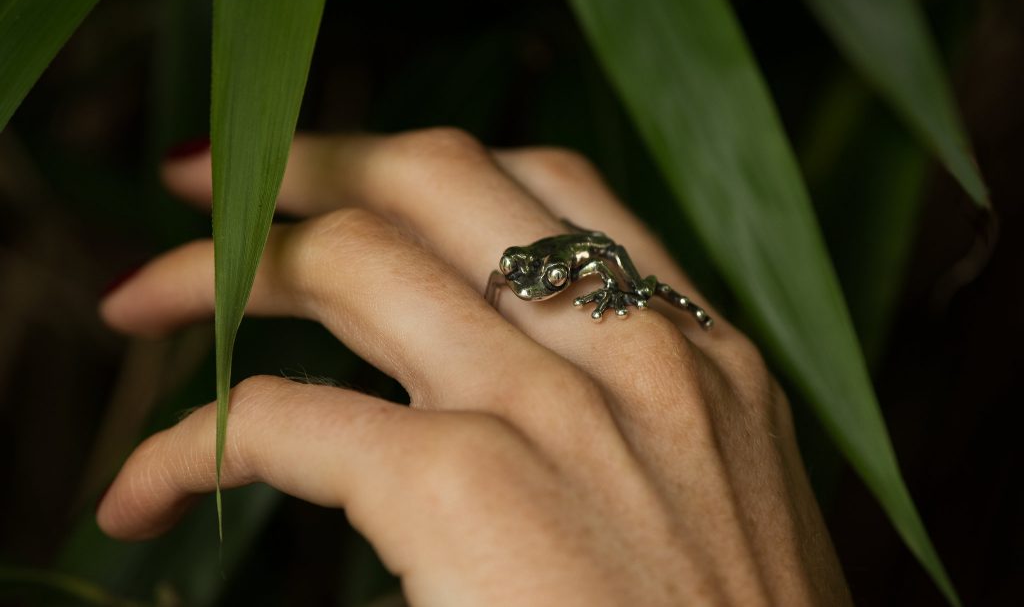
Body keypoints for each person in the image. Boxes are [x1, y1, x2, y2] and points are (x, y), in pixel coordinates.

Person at [96, 128, 852, 606]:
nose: (532, 288)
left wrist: (636, 307)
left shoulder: (586, 267)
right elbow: (518, 268)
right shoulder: (523, 272)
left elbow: (606, 259)